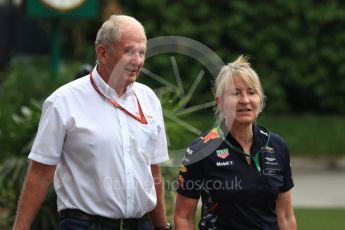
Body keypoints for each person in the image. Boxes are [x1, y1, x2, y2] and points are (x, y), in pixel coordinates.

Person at [12, 15, 171, 230]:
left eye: (142, 52)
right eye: (129, 51)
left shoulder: (149, 99)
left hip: (140, 224)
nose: (138, 60)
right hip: (85, 225)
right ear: (102, 53)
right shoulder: (63, 101)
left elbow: (153, 171)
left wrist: (162, 227)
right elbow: (40, 173)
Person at [174, 55, 297, 230]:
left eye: (251, 92)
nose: (245, 100)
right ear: (220, 102)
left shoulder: (277, 147)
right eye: (235, 93)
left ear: (260, 100)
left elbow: (285, 216)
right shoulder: (200, 150)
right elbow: (183, 217)